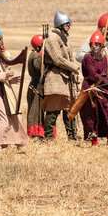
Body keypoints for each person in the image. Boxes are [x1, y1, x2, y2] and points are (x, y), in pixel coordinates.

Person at [41, 11, 79, 140]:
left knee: (69, 107)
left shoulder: (65, 39)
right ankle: (49, 136)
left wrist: (75, 68)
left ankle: (72, 135)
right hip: (55, 76)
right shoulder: (52, 39)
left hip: (67, 77)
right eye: (66, 24)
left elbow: (71, 57)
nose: (68, 26)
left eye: (69, 24)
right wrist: (73, 67)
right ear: (60, 24)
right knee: (54, 108)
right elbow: (57, 59)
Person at [80, 30, 108, 145]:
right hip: (89, 88)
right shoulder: (87, 57)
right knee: (92, 114)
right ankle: (93, 139)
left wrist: (104, 78)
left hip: (102, 88)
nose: (95, 47)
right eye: (93, 44)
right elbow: (91, 74)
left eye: (98, 44)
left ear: (101, 46)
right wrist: (102, 78)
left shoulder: (104, 58)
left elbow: (105, 71)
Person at [26, 34, 44, 139]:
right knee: (35, 109)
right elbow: (38, 66)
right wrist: (42, 53)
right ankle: (35, 133)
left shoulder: (36, 54)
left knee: (39, 109)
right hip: (35, 85)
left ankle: (40, 132)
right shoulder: (35, 55)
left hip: (38, 84)